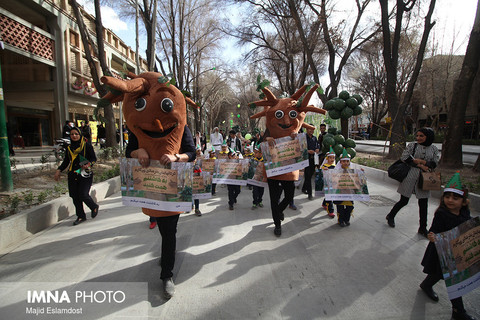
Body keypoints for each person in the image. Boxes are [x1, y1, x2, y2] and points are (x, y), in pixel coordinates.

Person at [419, 173, 475, 320]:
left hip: (457, 252)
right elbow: (434, 231)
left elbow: (469, 227)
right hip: (441, 252)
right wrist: (432, 236)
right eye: (447, 197)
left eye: (455, 198)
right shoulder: (442, 214)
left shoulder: (464, 213)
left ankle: (426, 285)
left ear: (464, 202)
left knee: (442, 275)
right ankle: (458, 312)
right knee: (452, 280)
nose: (450, 200)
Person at [385, 127, 440, 237]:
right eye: (417, 136)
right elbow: (405, 158)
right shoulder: (412, 145)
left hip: (425, 178)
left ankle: (422, 228)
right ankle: (391, 216)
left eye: (421, 136)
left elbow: (435, 162)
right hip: (410, 176)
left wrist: (423, 162)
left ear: (428, 137)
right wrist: (419, 165)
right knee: (404, 200)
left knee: (423, 203)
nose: (418, 138)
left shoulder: (434, 148)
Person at [54, 126, 99, 225]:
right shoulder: (69, 148)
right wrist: (59, 170)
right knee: (75, 196)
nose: (74, 136)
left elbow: (93, 158)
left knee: (83, 194)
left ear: (80, 135)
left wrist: (88, 164)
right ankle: (80, 216)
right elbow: (66, 162)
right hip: (73, 174)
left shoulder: (87, 146)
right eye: (72, 134)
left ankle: (93, 206)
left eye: (76, 134)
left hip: (84, 173)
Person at [334, 149, 354, 227]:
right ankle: (341, 220)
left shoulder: (352, 170)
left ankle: (347, 219)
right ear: (340, 162)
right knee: (340, 208)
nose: (345, 163)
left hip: (349, 192)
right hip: (340, 193)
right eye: (344, 161)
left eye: (347, 161)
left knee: (349, 207)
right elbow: (332, 179)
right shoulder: (337, 170)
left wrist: (361, 173)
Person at [302, 125, 319, 200]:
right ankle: (310, 193)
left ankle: (303, 188)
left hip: (313, 159)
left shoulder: (314, 138)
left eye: (312, 129)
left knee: (310, 174)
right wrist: (308, 151)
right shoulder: (303, 137)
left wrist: (317, 148)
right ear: (306, 129)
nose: (311, 131)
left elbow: (317, 145)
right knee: (308, 176)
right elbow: (300, 148)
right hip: (306, 159)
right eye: (310, 129)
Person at [321, 147, 336, 218]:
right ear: (327, 158)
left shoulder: (335, 167)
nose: (332, 159)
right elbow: (320, 174)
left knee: (329, 195)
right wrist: (324, 170)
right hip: (326, 184)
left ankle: (324, 203)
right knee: (330, 196)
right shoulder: (324, 166)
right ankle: (331, 211)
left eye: (333, 158)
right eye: (330, 158)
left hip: (333, 184)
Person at [251, 144, 265, 210]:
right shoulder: (253, 160)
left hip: (262, 179)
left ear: (261, 153)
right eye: (254, 152)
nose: (255, 154)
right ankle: (254, 202)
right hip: (255, 179)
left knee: (261, 191)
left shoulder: (264, 160)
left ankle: (260, 201)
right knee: (255, 191)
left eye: (256, 152)